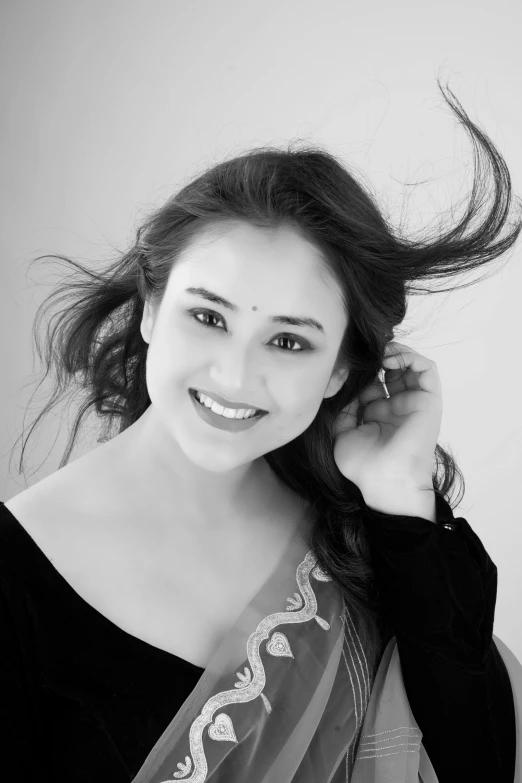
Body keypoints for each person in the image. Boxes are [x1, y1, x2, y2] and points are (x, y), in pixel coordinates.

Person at [1, 79, 521, 782]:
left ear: (341, 369)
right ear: (151, 309)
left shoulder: (364, 528)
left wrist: (402, 497)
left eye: (290, 342)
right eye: (209, 317)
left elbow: (480, 760)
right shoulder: (15, 575)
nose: (236, 377)